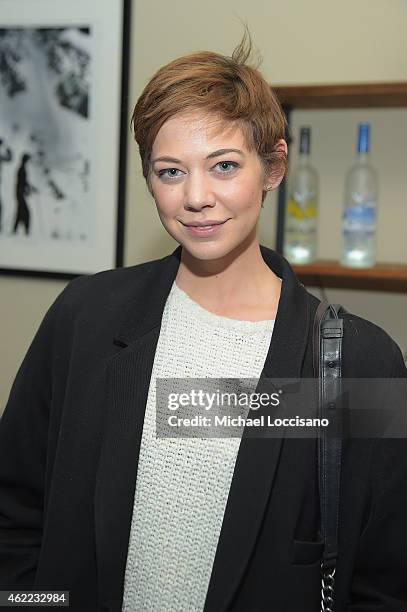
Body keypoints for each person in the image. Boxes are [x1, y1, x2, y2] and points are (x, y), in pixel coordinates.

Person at [1, 33, 406, 612]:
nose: (196, 197)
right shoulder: (84, 318)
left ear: (273, 167)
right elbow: (16, 515)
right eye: (170, 172)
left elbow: (381, 581)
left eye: (223, 166)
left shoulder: (358, 361)